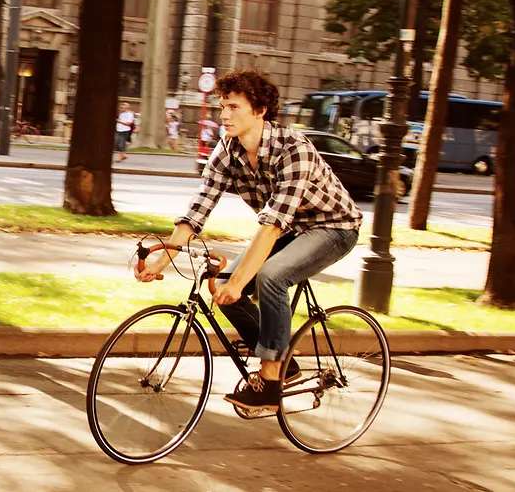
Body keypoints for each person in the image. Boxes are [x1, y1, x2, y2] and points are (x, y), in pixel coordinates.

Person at [136, 69, 362, 417]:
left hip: (332, 227)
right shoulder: (228, 149)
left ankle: (270, 382)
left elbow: (271, 227)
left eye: (234, 107)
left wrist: (243, 281)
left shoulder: (293, 148)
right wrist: (163, 259)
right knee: (220, 284)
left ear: (259, 110)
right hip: (290, 228)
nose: (224, 115)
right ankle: (285, 362)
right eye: (222, 106)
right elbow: (199, 207)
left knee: (271, 276)